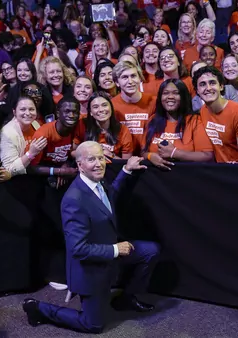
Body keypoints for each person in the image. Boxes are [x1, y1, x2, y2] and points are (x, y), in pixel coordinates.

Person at [22, 142, 159, 333]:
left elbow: (110, 197)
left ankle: (126, 298)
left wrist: (126, 170)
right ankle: (38, 308)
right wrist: (115, 249)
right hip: (90, 269)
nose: (98, 164)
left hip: (109, 256)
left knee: (150, 251)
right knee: (93, 325)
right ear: (79, 165)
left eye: (101, 158)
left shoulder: (98, 181)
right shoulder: (74, 200)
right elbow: (78, 249)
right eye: (91, 159)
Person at [142, 79, 214, 169]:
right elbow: (143, 152)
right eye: (165, 93)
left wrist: (174, 153)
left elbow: (207, 156)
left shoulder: (194, 121)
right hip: (156, 180)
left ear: (183, 97)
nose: (170, 97)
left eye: (176, 93)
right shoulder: (152, 120)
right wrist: (150, 156)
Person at [192, 66, 238, 163]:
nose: (208, 88)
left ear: (221, 86)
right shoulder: (203, 111)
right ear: (197, 91)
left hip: (236, 172)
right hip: (218, 171)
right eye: (203, 84)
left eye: (212, 83)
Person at [27, 97, 80, 188]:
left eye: (75, 112)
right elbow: (30, 168)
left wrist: (66, 165)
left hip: (67, 166)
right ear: (58, 113)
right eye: (67, 111)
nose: (71, 115)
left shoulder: (78, 128)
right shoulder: (43, 134)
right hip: (44, 173)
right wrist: (59, 171)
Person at [111, 61, 156, 155]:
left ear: (140, 79)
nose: (130, 81)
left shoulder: (154, 102)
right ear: (117, 82)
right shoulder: (111, 105)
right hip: (122, 157)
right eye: (124, 77)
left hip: (149, 157)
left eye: (133, 76)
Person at [74, 92, 133, 160]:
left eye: (104, 105)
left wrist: (110, 155)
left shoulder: (123, 130)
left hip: (115, 168)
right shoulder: (82, 125)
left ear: (111, 107)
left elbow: (126, 162)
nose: (101, 110)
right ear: (90, 112)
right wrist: (93, 154)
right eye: (95, 107)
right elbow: (73, 152)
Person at [0, 96, 48, 177]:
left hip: (36, 170)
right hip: (18, 178)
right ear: (14, 112)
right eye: (22, 109)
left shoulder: (35, 124)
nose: (28, 113)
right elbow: (8, 169)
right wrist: (31, 153)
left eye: (31, 109)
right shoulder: (7, 133)